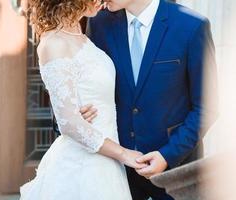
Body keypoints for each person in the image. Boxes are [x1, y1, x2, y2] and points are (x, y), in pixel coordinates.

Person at [81, 0, 218, 199]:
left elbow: (207, 107)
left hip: (176, 171)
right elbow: (81, 79)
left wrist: (167, 155)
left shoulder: (192, 25)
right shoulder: (99, 23)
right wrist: (77, 112)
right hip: (116, 170)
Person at [20, 0, 147, 199]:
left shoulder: (83, 32)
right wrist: (124, 154)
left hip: (107, 159)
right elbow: (69, 123)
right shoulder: (54, 43)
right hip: (83, 164)